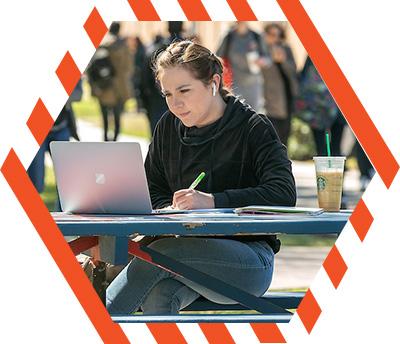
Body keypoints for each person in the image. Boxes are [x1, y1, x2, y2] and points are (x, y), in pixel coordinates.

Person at [106, 40, 296, 315]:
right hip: (179, 251)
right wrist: (170, 211)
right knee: (159, 295)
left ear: (213, 83)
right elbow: (151, 189)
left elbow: (283, 193)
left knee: (161, 253)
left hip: (249, 260)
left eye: (184, 90)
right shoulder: (168, 127)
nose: (176, 103)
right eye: (168, 94)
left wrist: (213, 202)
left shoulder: (253, 127)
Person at [139, 22, 185, 135]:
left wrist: (145, 99)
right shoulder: (191, 51)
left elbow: (145, 77)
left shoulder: (156, 49)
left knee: (158, 135)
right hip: (185, 100)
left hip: (158, 99)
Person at [88, 22, 132, 141]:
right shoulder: (122, 46)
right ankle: (115, 140)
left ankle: (105, 139)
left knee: (104, 117)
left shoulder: (101, 44)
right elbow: (128, 67)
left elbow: (91, 68)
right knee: (117, 117)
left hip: (102, 87)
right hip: (118, 88)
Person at [295, 56, 346, 156]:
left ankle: (326, 169)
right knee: (333, 147)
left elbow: (302, 78)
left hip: (318, 110)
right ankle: (331, 168)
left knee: (323, 148)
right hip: (323, 111)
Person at [216, 22, 269, 113]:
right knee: (236, 114)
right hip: (235, 84)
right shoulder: (229, 37)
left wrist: (262, 61)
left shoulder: (256, 36)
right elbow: (218, 57)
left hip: (253, 85)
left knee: (253, 116)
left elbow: (268, 59)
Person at [262, 23, 298, 146]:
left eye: (278, 35)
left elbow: (293, 70)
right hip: (269, 100)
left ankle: (282, 161)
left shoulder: (286, 49)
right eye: (272, 35)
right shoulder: (261, 50)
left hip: (287, 97)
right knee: (272, 135)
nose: (275, 38)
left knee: (284, 135)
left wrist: (282, 62)